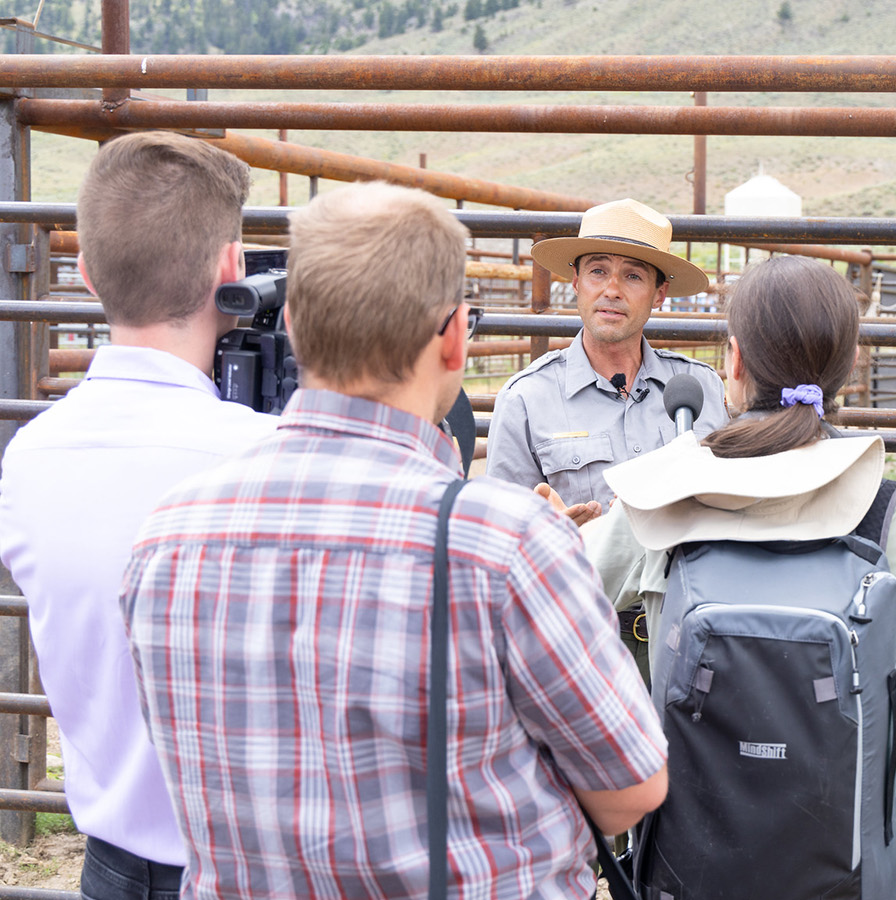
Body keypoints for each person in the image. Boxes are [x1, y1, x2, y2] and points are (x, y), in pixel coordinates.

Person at [119, 182, 667, 900]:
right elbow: (631, 790)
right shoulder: (503, 546)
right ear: (452, 339)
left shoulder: (165, 538)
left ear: (290, 323)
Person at [578, 253, 896, 820]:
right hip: (835, 856)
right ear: (852, 364)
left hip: (688, 848)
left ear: (733, 362)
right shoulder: (892, 520)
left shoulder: (659, 495)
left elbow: (547, 608)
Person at [0, 132, 278, 900]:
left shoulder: (28, 459)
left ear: (86, 273)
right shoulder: (270, 458)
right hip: (253, 860)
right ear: (232, 271)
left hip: (113, 862)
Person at [486, 198, 729, 523]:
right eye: (598, 271)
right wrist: (553, 536)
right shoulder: (526, 399)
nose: (612, 290)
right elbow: (500, 530)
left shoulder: (703, 387)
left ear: (659, 294)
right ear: (577, 282)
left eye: (633, 276)